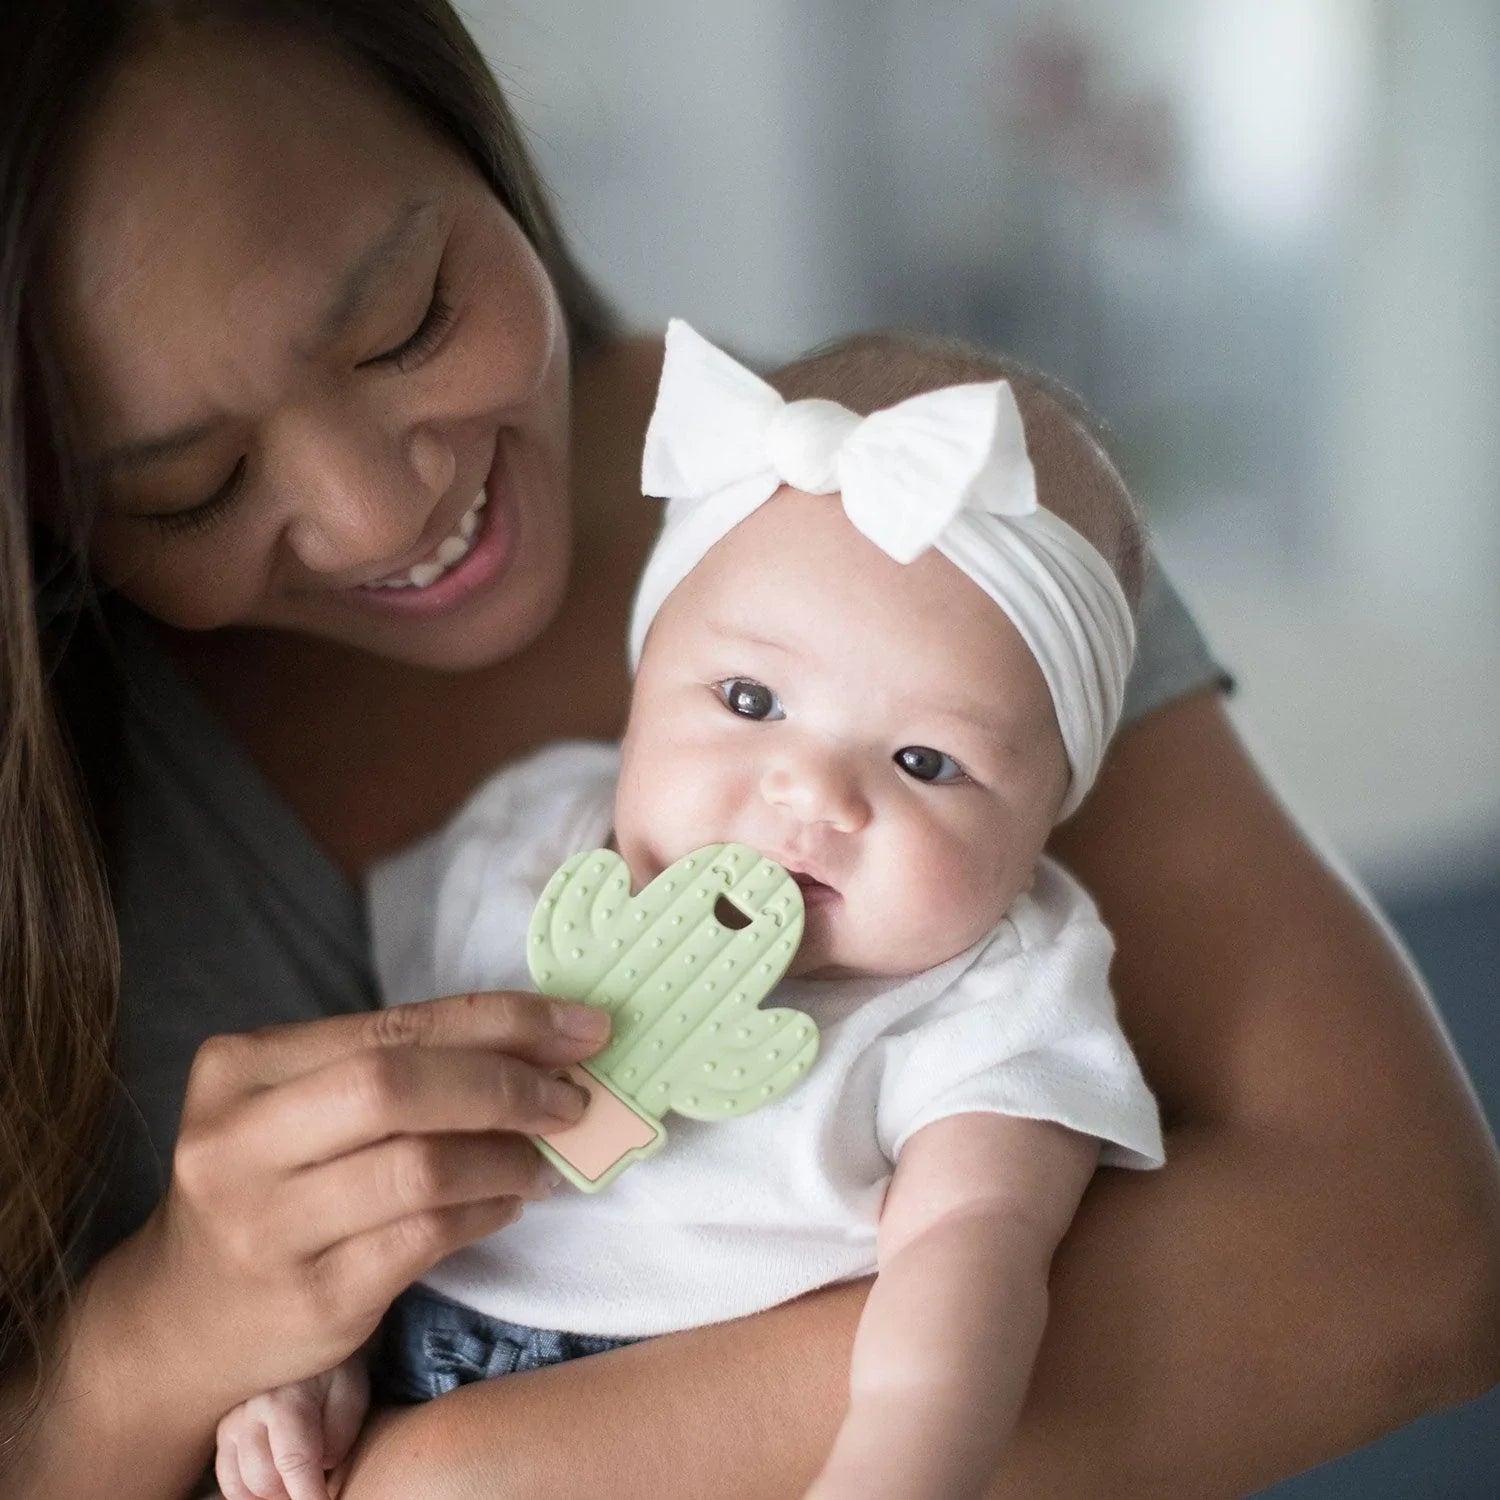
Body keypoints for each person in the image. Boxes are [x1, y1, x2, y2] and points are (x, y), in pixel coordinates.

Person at [0, 4, 1494, 1498]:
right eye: (193, 487)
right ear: (43, 501)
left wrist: (463, 1478)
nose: (378, 510)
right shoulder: (520, 846)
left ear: (472, 139)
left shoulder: (947, 520)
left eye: (410, 321)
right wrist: (181, 1335)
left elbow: (1415, 1254)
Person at [215, 320, 1168, 1500]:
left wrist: (891, 1467)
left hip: (704, 1421)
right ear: (641, 684)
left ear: (1040, 828)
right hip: (413, 1352)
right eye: (751, 696)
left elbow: (970, 1272)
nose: (812, 792)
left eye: (925, 762)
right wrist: (320, 1355)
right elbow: (384, 1128)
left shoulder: (990, 995)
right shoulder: (532, 845)